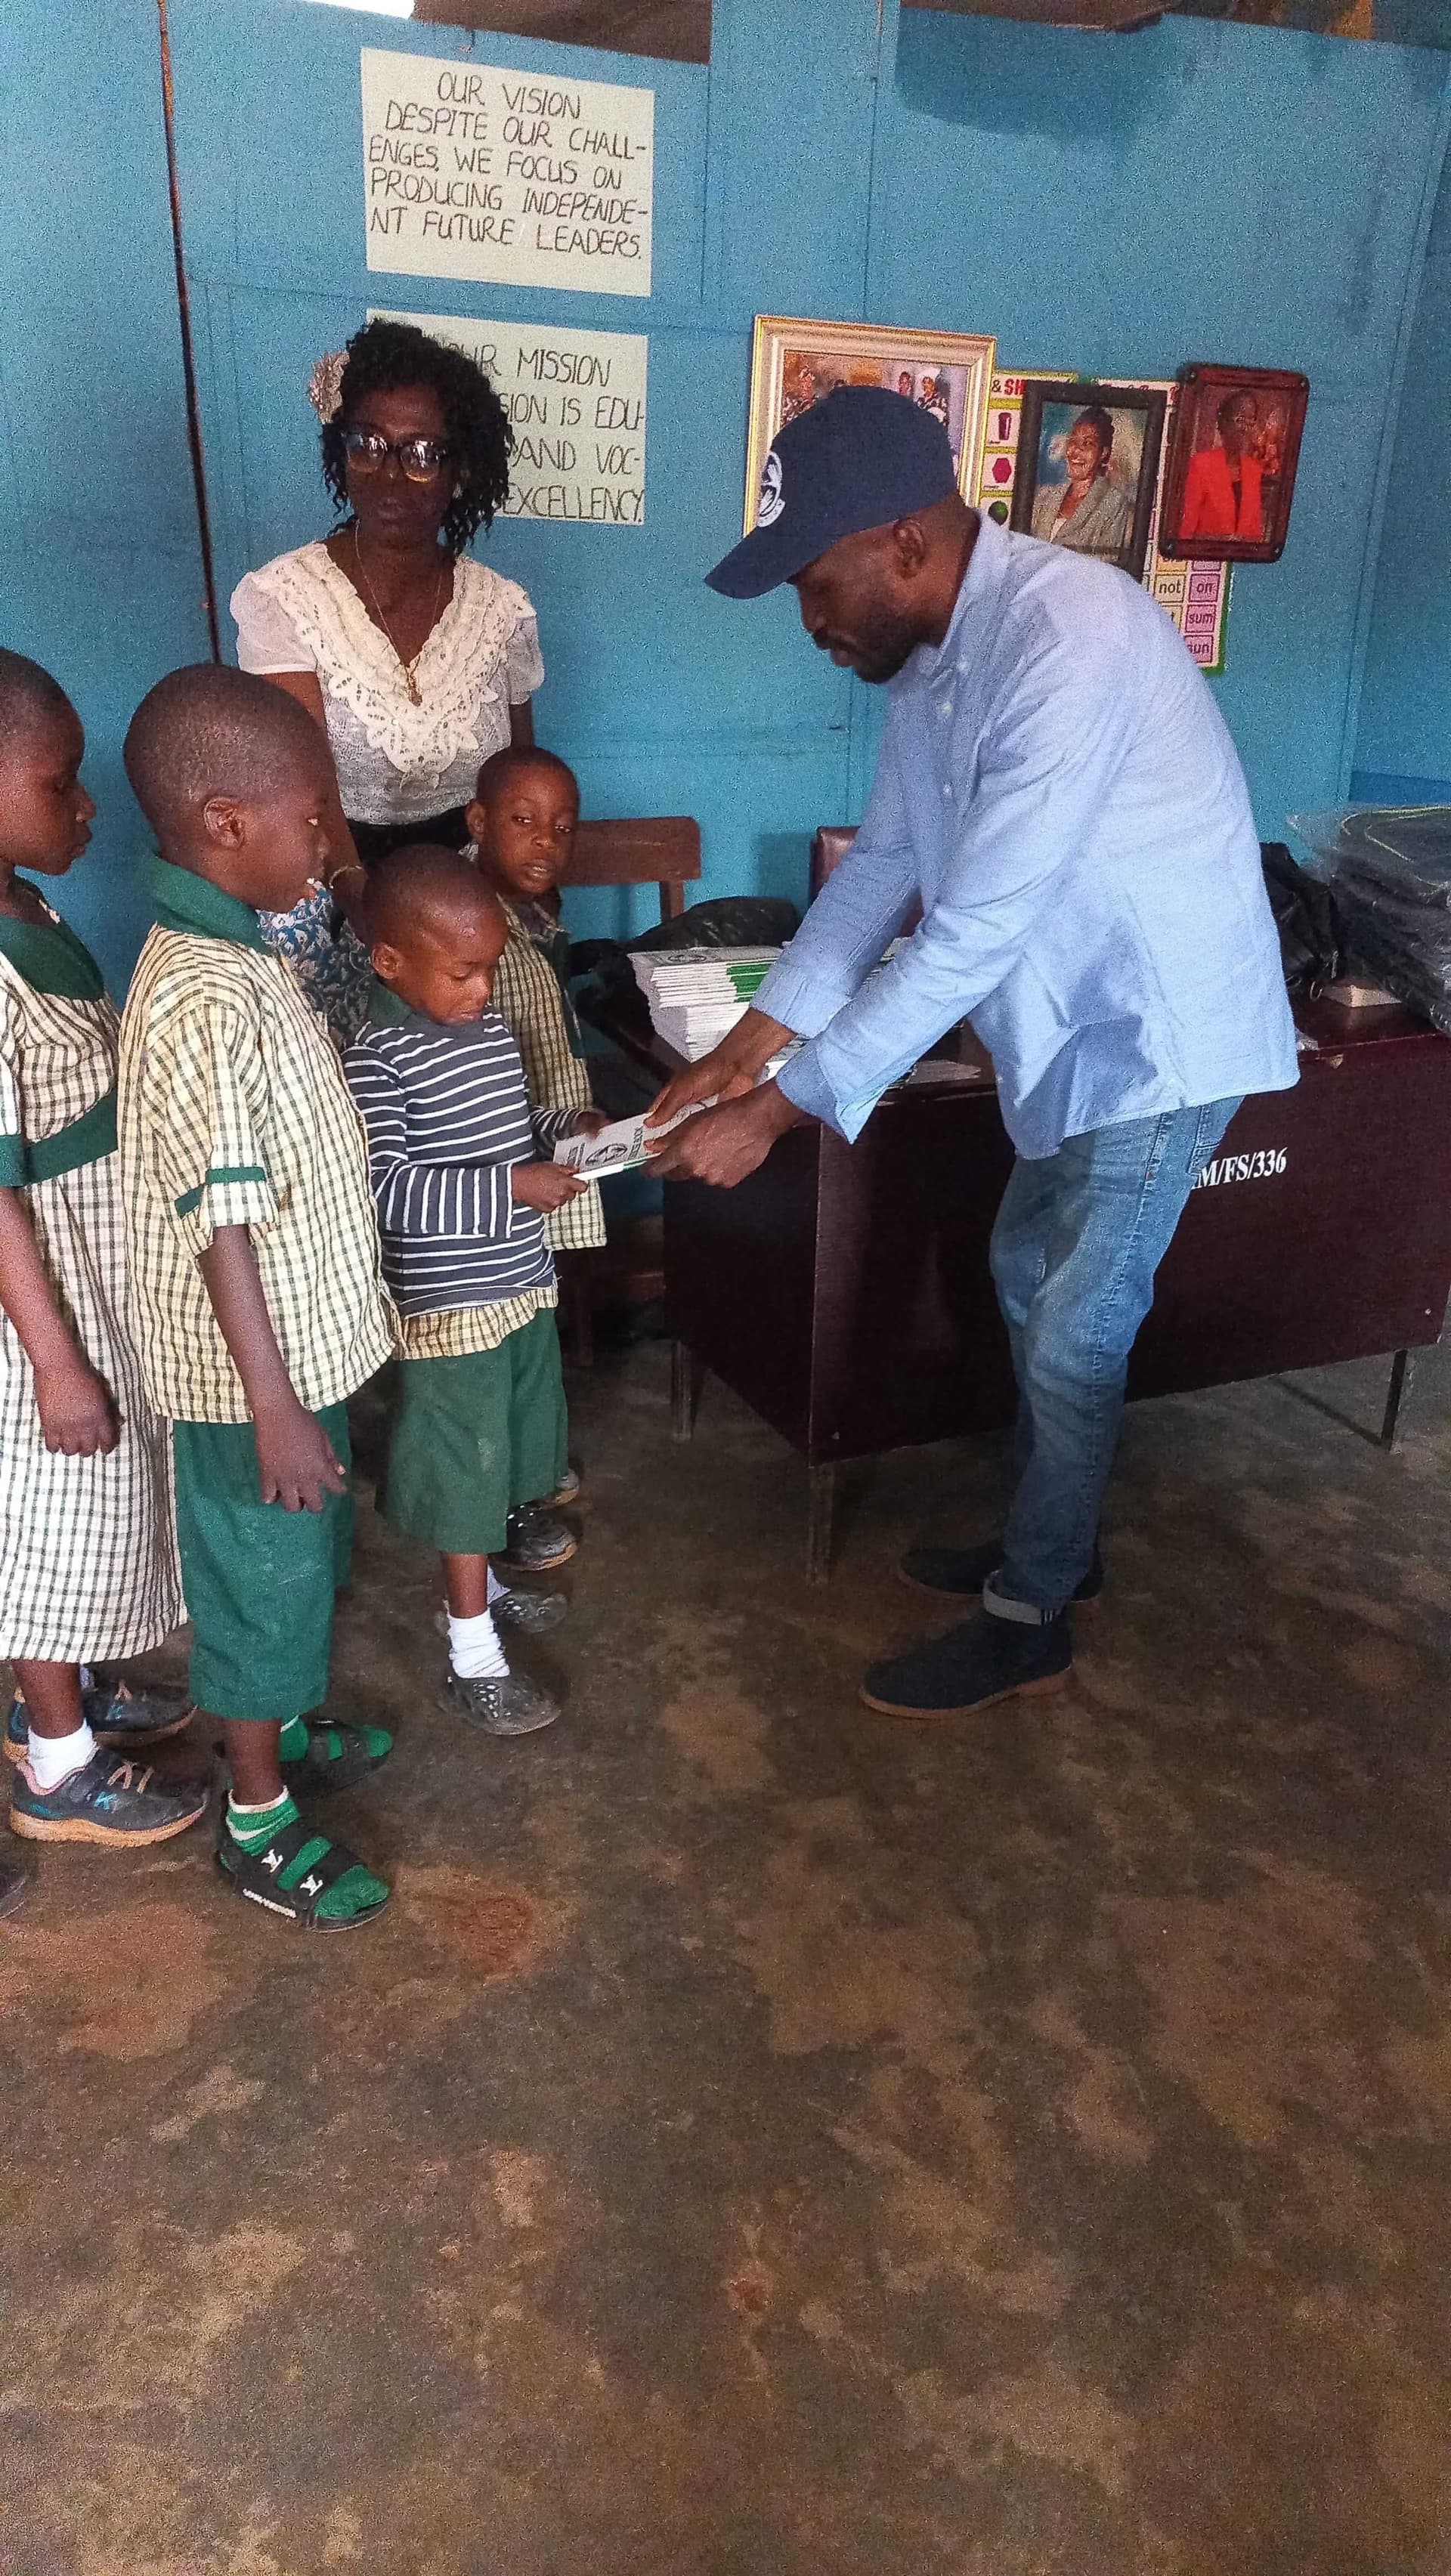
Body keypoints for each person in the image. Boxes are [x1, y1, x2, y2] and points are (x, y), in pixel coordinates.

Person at [648, 386, 1297, 1719]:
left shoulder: (1072, 634)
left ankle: (1033, 1609)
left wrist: (776, 1112)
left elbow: (973, 931)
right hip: (1075, 1031)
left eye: (814, 584)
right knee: (1020, 1269)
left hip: (1160, 1035)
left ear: (902, 541)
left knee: (1075, 1325)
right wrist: (750, 1044)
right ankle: (1061, 1529)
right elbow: (885, 864)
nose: (810, 620)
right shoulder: (931, 663)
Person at [118, 666, 397, 1928]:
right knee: (260, 1587)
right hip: (251, 1384)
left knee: (301, 1563)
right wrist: (274, 1406)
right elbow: (219, 1218)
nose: (329, 840)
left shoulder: (242, 947)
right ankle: (256, 1819)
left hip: (294, 1356)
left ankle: (275, 1725)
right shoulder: (199, 990)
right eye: (315, 814)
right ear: (227, 821)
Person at [0, 651, 205, 1882]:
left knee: (102, 1502)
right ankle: (57, 1760)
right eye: (60, 782)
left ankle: (71, 1683)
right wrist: (54, 1358)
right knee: (48, 1515)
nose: (87, 807)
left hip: (94, 1255)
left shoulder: (27, 907)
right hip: (40, 1295)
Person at [230, 317, 543, 1043]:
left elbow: (518, 782)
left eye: (422, 454)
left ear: (461, 471)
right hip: (330, 903)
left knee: (482, 1087)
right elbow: (301, 784)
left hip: (466, 911)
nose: (390, 473)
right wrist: (369, 909)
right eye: (367, 443)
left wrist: (504, 902)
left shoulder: (502, 611)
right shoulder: (286, 599)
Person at [342, 846, 592, 1734]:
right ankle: (472, 1656)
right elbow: (387, 1189)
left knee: (512, 1444)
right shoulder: (378, 1057)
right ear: (390, 961)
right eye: (463, 972)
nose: (483, 989)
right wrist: (514, 1188)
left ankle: (479, 1588)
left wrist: (569, 1128)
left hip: (518, 1282)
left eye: (489, 966)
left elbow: (513, 1128)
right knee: (465, 1469)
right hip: (450, 1309)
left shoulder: (484, 1032)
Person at [466, 744, 608, 1262]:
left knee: (552, 1264)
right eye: (523, 820)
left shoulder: (536, 916)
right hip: (487, 1163)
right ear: (480, 822)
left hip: (552, 1126)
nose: (546, 840)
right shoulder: (457, 919)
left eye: (563, 828)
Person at [1030, 406, 1131, 561]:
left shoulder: (1114, 503)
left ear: (1103, 453)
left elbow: (1106, 564)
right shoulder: (1045, 496)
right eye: (1073, 441)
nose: (1076, 450)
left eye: (1087, 443)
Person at [1178, 390, 1264, 544]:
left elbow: (1255, 533)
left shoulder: (1254, 470)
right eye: (1240, 419)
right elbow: (1185, 531)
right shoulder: (1201, 464)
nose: (1246, 428)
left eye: (1251, 420)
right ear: (1223, 423)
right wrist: (1219, 541)